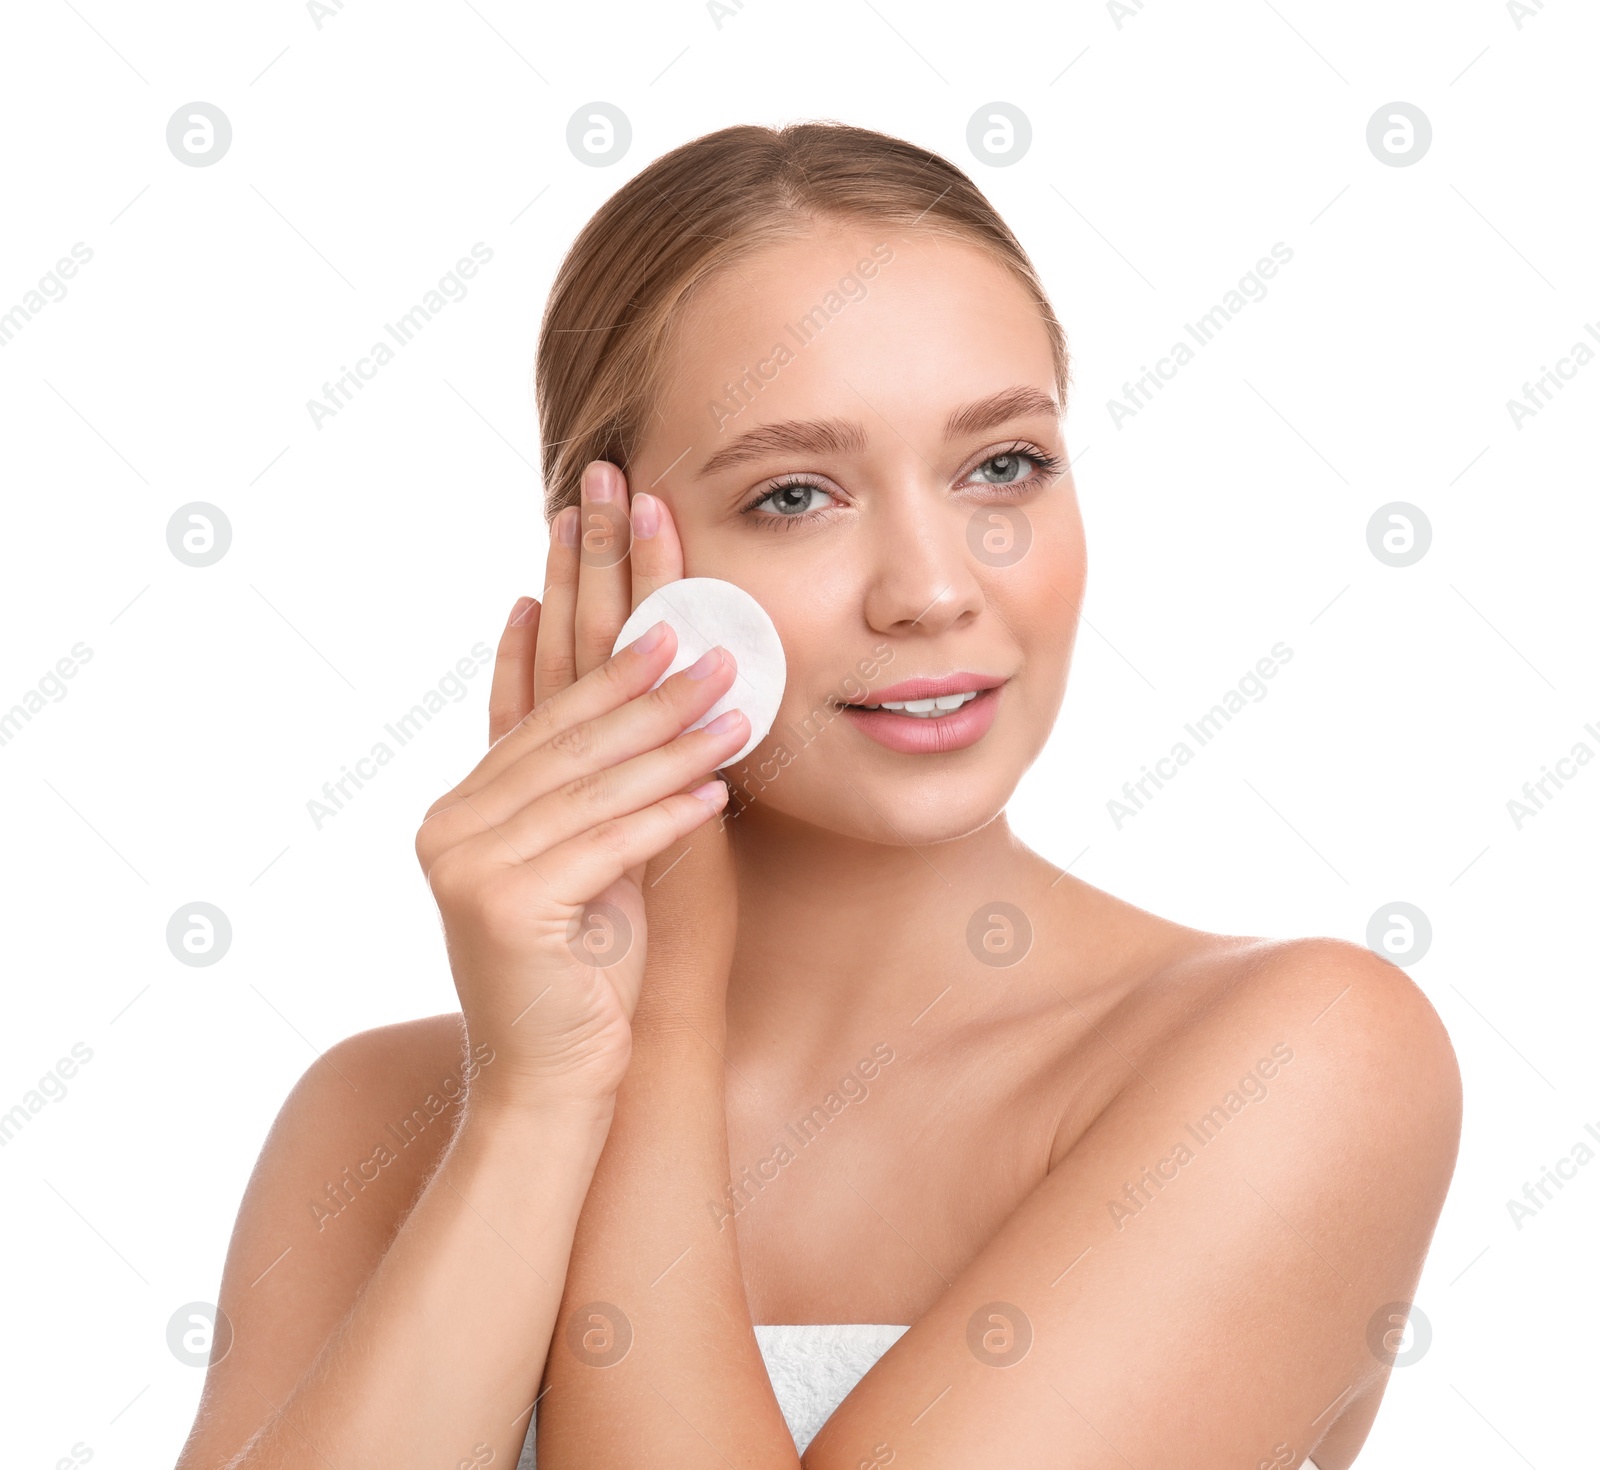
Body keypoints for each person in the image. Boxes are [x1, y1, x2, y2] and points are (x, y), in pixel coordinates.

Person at [174, 122, 1461, 1470]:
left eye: (1003, 464)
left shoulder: (1292, 1059)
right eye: (796, 494)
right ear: (611, 560)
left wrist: (657, 1034)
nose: (933, 587)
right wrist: (542, 1096)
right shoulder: (380, 1117)